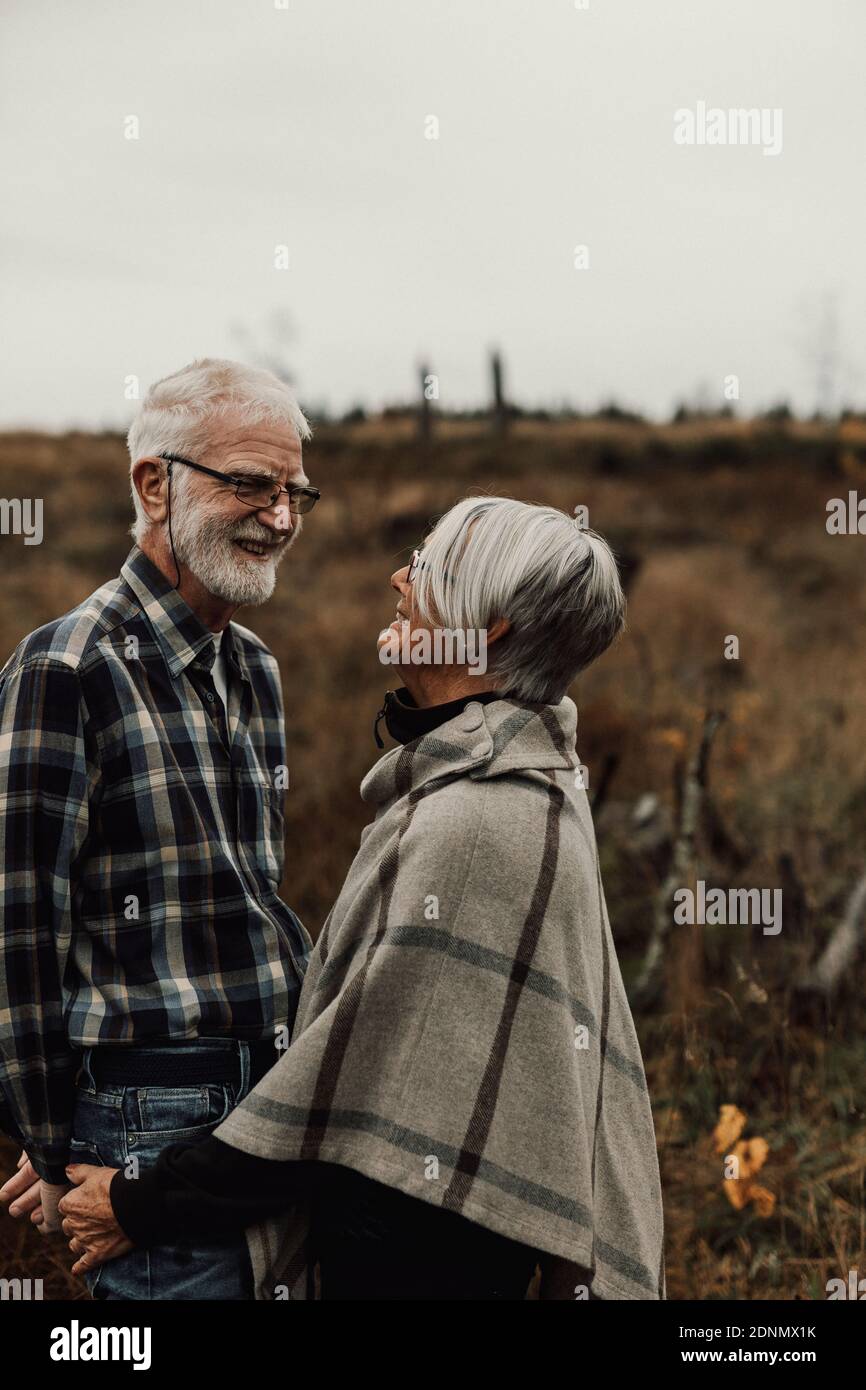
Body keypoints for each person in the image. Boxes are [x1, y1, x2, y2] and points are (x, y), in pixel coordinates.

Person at [59, 496, 666, 1301]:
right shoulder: (504, 784)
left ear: (485, 630)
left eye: (425, 569)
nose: (396, 578)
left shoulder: (477, 819)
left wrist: (140, 1202)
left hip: (410, 1263)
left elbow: (331, 1088)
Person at [0, 358, 319, 1299]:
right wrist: (54, 1143)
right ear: (154, 483)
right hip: (149, 1111)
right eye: (251, 484)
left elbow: (245, 896)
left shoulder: (255, 669)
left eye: (295, 490)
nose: (282, 516)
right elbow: (18, 933)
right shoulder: (67, 667)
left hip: (268, 1111)